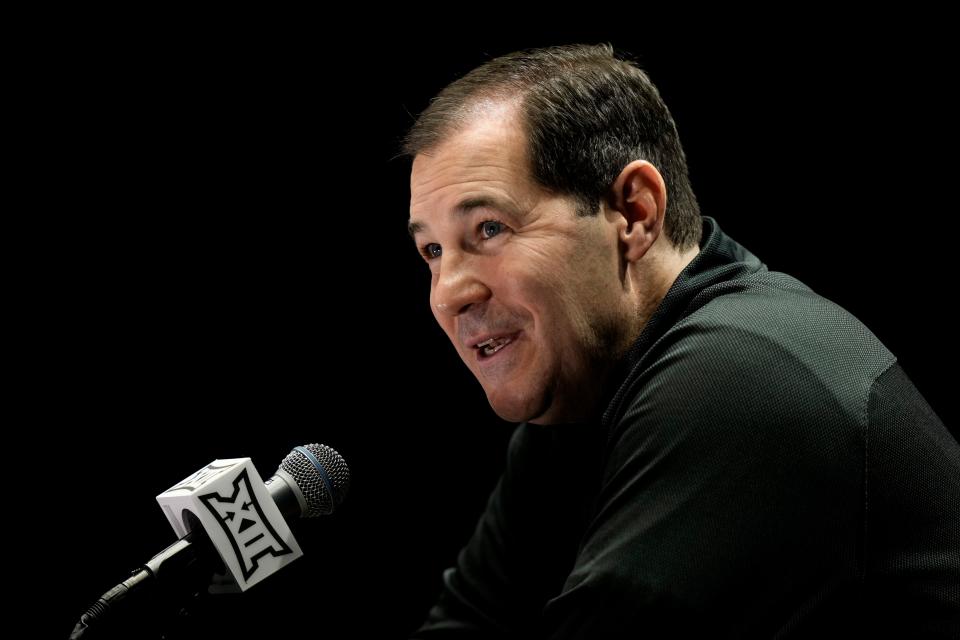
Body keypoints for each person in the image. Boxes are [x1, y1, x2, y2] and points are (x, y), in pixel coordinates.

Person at [402, 44, 959, 638]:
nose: (447, 294)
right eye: (432, 252)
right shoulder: (578, 393)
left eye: (489, 229)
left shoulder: (738, 379)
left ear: (634, 213)